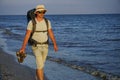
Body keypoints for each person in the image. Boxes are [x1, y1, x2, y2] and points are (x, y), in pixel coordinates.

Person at [19, 4, 58, 80]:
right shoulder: (31, 23)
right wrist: (23, 48)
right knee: (40, 65)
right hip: (35, 46)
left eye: (43, 12)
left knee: (41, 65)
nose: (42, 14)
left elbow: (50, 33)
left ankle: (37, 78)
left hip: (45, 46)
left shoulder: (47, 22)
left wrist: (55, 44)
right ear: (36, 12)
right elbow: (27, 35)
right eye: (40, 12)